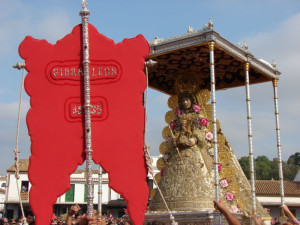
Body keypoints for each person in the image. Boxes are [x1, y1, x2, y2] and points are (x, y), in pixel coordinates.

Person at [150, 91, 215, 211]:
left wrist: (194, 139)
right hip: (178, 153)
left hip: (193, 151)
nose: (185, 102)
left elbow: (201, 133)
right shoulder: (177, 119)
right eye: (183, 100)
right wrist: (175, 141)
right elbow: (173, 135)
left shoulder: (197, 117)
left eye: (187, 100)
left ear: (192, 101)